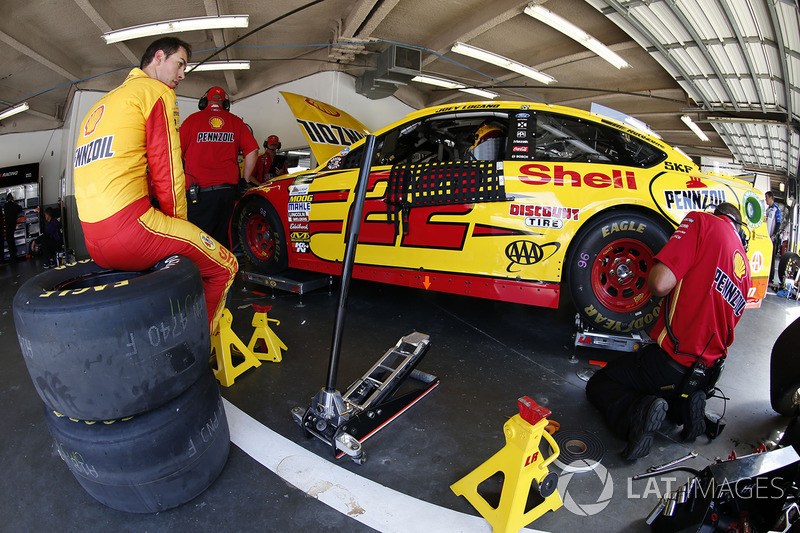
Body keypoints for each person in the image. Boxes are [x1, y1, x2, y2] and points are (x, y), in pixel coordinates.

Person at [73, 37, 238, 334]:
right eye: (180, 64)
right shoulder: (155, 92)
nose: (182, 74)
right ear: (159, 57)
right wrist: (180, 228)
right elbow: (168, 169)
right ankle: (200, 344)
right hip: (131, 230)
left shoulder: (103, 103)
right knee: (226, 267)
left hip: (93, 240)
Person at [586, 202, 751, 460]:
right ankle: (684, 408)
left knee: (601, 383)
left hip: (671, 362)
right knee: (669, 393)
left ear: (716, 214)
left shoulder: (702, 223)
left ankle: (635, 417)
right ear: (739, 228)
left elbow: (660, 283)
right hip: (707, 374)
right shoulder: (746, 271)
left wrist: (660, 259)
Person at [180, 86, 258, 249]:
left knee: (198, 241)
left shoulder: (192, 120)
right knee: (223, 238)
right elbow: (253, 151)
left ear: (204, 102)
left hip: (198, 194)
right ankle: (223, 265)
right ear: (226, 104)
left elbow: (174, 153)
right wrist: (244, 180)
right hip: (227, 193)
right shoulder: (235, 121)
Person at [2, 193, 22, 262]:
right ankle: (14, 254)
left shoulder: (5, 206)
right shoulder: (14, 205)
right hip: (13, 225)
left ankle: (12, 255)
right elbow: (20, 209)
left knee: (9, 240)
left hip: (8, 225)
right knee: (12, 239)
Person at [765, 191, 782, 260]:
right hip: (766, 236)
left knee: (771, 258)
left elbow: (778, 223)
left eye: (767, 197)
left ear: (771, 198)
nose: (766, 199)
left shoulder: (776, 210)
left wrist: (774, 234)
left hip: (772, 238)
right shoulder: (767, 210)